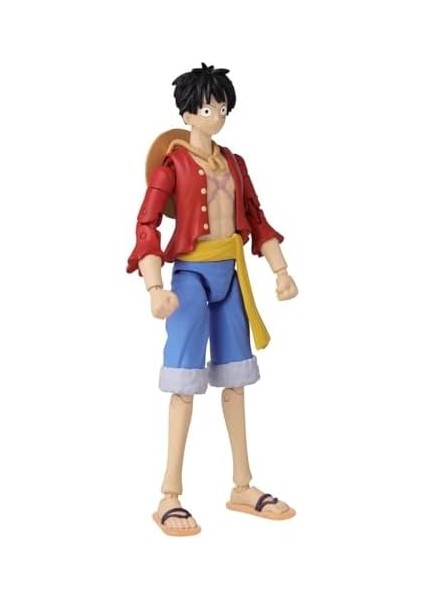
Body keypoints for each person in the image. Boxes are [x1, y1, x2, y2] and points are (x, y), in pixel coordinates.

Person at [127, 63, 298, 536]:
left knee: (236, 381)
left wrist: (280, 269)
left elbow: (256, 217)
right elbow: (146, 225)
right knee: (184, 383)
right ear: (187, 113)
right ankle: (169, 494)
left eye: (221, 107)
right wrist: (154, 287)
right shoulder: (172, 166)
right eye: (207, 108)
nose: (217, 115)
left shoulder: (234, 163)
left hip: (231, 276)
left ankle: (242, 484)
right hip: (190, 279)